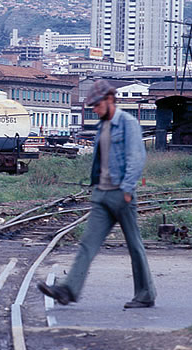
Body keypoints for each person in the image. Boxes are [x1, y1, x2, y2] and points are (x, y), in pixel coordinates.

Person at [38, 80, 157, 309]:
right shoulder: (102, 126)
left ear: (110, 100)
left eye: (97, 104)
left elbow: (136, 158)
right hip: (102, 194)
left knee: (134, 246)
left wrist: (128, 190)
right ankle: (68, 290)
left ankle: (145, 294)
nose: (94, 109)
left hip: (122, 195)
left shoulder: (128, 123)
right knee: (87, 244)